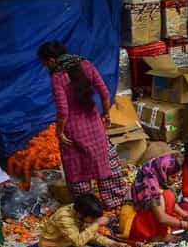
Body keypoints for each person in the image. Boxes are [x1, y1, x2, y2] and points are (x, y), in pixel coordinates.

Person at [38, 42, 128, 212]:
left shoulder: (57, 77)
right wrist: (107, 113)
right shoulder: (86, 64)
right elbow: (105, 92)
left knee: (77, 169)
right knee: (104, 161)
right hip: (94, 124)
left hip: (72, 130)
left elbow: (63, 110)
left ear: (51, 60)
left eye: (45, 64)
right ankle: (114, 203)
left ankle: (87, 208)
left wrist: (59, 131)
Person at [126, 152, 188, 243]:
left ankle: (159, 231)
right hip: (135, 223)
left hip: (146, 213)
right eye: (173, 177)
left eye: (179, 176)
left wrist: (186, 216)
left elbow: (171, 204)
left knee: (169, 197)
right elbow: (161, 218)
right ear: (163, 172)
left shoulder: (156, 174)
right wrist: (186, 225)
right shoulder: (151, 185)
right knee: (168, 195)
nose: (177, 180)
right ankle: (155, 236)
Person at [38, 193, 116, 247]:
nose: (94, 220)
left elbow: (91, 233)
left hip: (70, 243)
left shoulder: (81, 211)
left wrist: (112, 243)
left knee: (108, 241)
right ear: (80, 214)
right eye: (93, 218)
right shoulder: (64, 218)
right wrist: (96, 224)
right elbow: (78, 242)